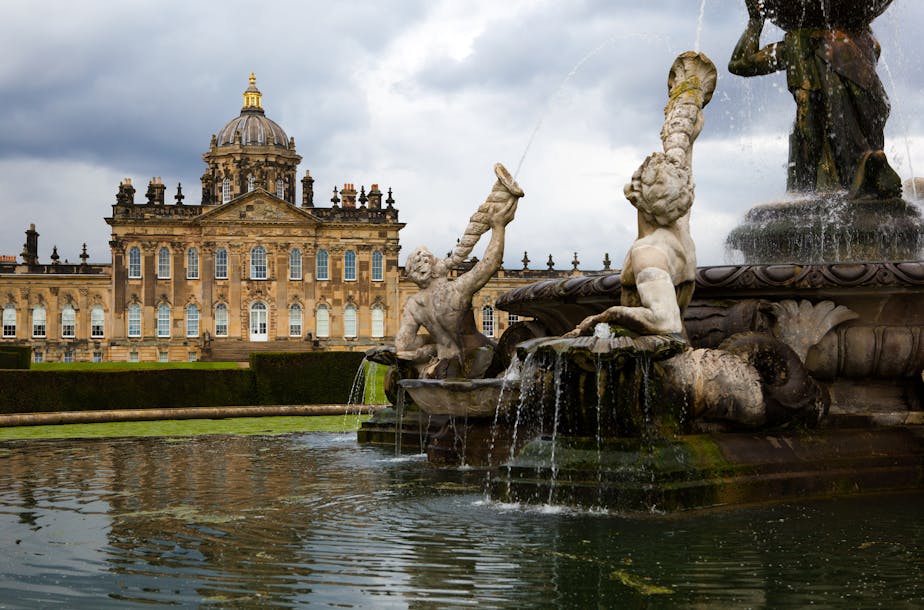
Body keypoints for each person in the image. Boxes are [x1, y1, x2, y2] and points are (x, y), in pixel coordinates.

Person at [728, 0, 901, 198]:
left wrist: (755, 22)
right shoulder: (865, 43)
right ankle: (865, 167)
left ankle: (851, 173)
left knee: (813, 147)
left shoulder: (800, 42)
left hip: (826, 138)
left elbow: (740, 63)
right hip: (860, 130)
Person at [395, 164, 523, 379]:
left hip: (445, 363)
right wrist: (498, 227)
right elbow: (489, 264)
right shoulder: (453, 291)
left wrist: (434, 346)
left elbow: (403, 344)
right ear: (431, 270)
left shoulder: (414, 305)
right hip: (480, 361)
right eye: (436, 258)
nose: (441, 260)